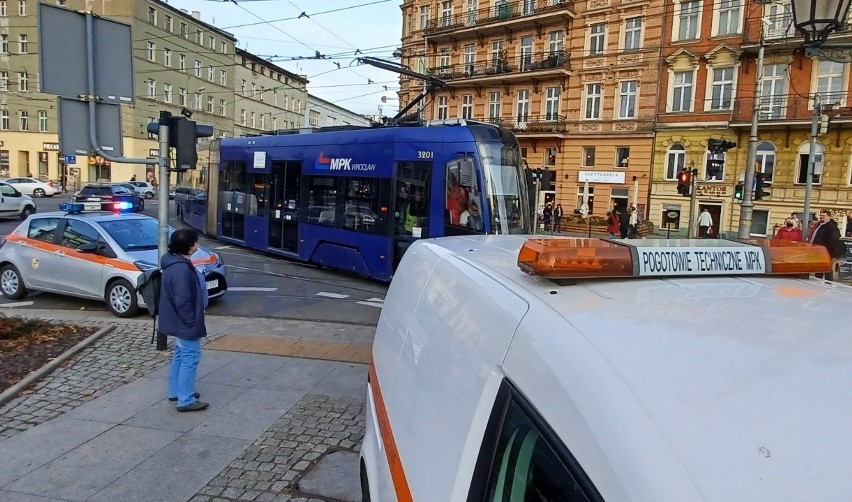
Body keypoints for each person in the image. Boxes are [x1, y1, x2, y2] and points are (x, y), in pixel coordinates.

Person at [160, 229, 209, 412]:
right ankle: (185, 399)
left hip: (176, 320)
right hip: (184, 322)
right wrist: (190, 321)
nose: (197, 245)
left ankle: (176, 391)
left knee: (180, 355)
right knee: (190, 357)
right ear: (188, 246)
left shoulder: (173, 262)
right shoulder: (181, 268)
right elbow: (182, 300)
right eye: (195, 242)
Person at [809, 209, 845, 281]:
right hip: (817, 251)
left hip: (825, 251)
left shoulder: (831, 227)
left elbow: (833, 240)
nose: (821, 217)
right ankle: (818, 282)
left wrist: (827, 251)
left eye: (824, 216)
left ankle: (829, 283)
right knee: (819, 268)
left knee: (827, 268)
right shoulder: (819, 225)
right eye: (821, 215)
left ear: (829, 217)